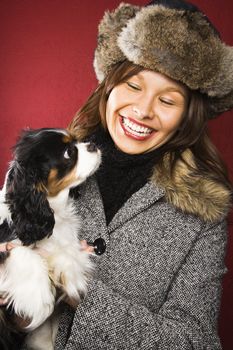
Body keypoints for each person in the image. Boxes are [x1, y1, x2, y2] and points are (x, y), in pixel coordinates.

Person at [1, 0, 233, 349]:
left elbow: (197, 342)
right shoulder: (48, 165)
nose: (143, 110)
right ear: (108, 86)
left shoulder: (204, 215)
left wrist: (78, 292)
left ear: (189, 116)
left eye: (168, 101)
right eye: (134, 86)